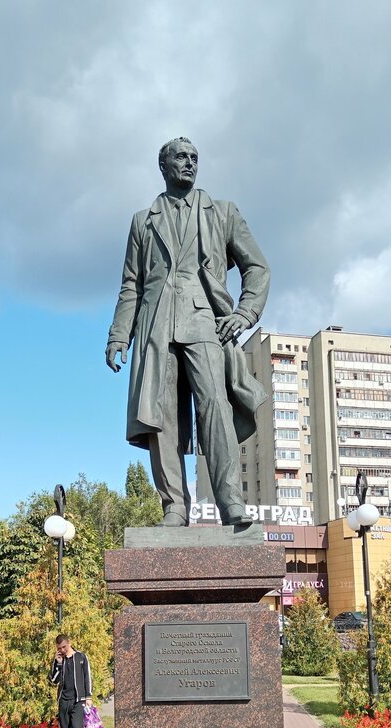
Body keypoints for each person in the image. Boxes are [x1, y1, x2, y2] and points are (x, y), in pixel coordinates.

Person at [106, 137, 270, 526]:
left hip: (204, 322)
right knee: (161, 416)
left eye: (195, 158)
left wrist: (245, 313)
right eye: (181, 157)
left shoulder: (223, 212)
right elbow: (132, 283)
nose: (190, 163)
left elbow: (257, 268)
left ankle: (231, 503)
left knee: (215, 407)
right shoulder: (143, 221)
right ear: (163, 166)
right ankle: (175, 507)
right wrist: (118, 334)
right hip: (155, 325)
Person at [48, 634, 93, 728]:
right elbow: (53, 680)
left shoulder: (81, 657)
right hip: (63, 701)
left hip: (78, 700)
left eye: (64, 647)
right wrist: (58, 665)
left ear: (69, 643)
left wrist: (88, 696)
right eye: (59, 648)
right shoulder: (59, 661)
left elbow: (87, 677)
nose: (62, 650)